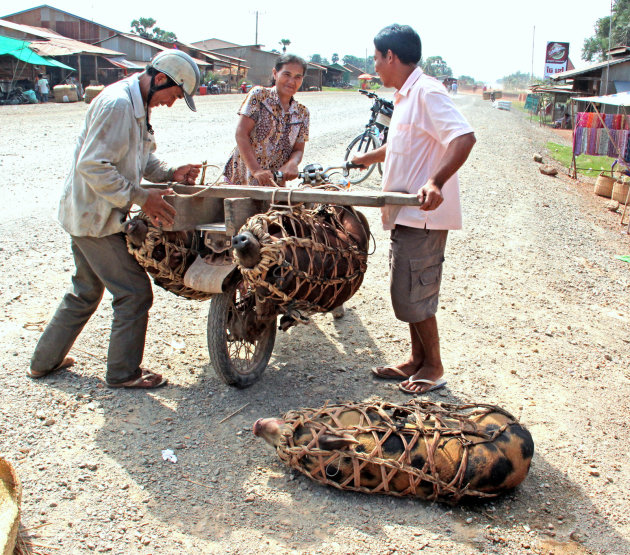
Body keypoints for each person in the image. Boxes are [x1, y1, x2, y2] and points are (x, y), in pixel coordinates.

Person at [28, 50, 202, 389]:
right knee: (134, 293)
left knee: (85, 292)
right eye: (175, 95)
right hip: (95, 219)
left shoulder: (137, 105)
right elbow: (93, 166)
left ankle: (43, 362)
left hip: (89, 214)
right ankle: (123, 373)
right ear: (161, 79)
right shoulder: (119, 105)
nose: (171, 103)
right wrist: (141, 198)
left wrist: (171, 172)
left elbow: (142, 159)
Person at [351, 24, 476, 394]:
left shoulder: (427, 92)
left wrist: (435, 181)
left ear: (391, 56)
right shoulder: (406, 97)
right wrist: (366, 158)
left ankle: (433, 366)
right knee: (407, 289)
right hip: (404, 214)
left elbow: (463, 137)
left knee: (414, 294)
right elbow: (400, 144)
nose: (375, 66)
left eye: (376, 58)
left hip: (423, 216)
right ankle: (416, 359)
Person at [223, 53, 309, 187]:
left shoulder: (302, 113)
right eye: (287, 74)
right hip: (242, 180)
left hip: (274, 184)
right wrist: (256, 170)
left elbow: (298, 149)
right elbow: (241, 133)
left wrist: (292, 163)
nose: (292, 81)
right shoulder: (259, 96)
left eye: (298, 77)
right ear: (275, 73)